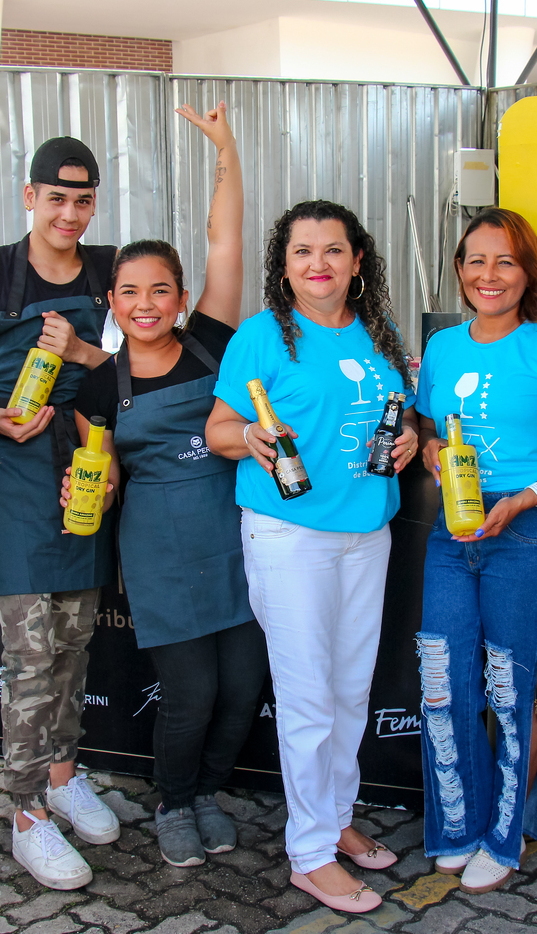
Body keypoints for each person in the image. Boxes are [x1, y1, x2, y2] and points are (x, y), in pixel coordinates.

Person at [206, 199, 419, 914]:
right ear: (284, 266)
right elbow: (218, 429)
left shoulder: (380, 331)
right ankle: (309, 854)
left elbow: (403, 414)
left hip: (367, 532)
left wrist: (412, 436)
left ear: (357, 261)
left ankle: (335, 820)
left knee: (351, 692)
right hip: (291, 537)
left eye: (333, 250)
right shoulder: (262, 336)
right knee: (307, 699)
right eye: (302, 251)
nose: (318, 264)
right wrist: (250, 438)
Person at [69, 102, 268, 868]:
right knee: (190, 696)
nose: (145, 304)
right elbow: (104, 474)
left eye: (160, 290)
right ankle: (174, 801)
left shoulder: (213, 343)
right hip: (160, 561)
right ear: (112, 303)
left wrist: (227, 149)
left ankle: (209, 790)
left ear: (182, 298)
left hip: (238, 547)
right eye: (129, 292)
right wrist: (89, 490)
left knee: (241, 690)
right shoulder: (99, 387)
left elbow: (226, 240)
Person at [415, 207, 537, 894]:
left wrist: (523, 499)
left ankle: (505, 833)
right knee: (444, 683)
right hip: (453, 531)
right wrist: (430, 451)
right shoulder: (442, 348)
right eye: (476, 260)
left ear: (528, 273)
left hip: (528, 531)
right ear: (459, 270)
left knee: (510, 689)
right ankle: (457, 826)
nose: (488, 275)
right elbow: (427, 427)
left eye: (505, 261)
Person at [0, 135, 120, 889]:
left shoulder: (109, 270)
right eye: (56, 198)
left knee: (75, 641)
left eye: (83, 201)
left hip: (81, 467)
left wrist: (83, 354)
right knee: (30, 653)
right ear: (30, 196)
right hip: (11, 473)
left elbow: (142, 363)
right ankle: (24, 812)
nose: (69, 215)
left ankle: (62, 775)